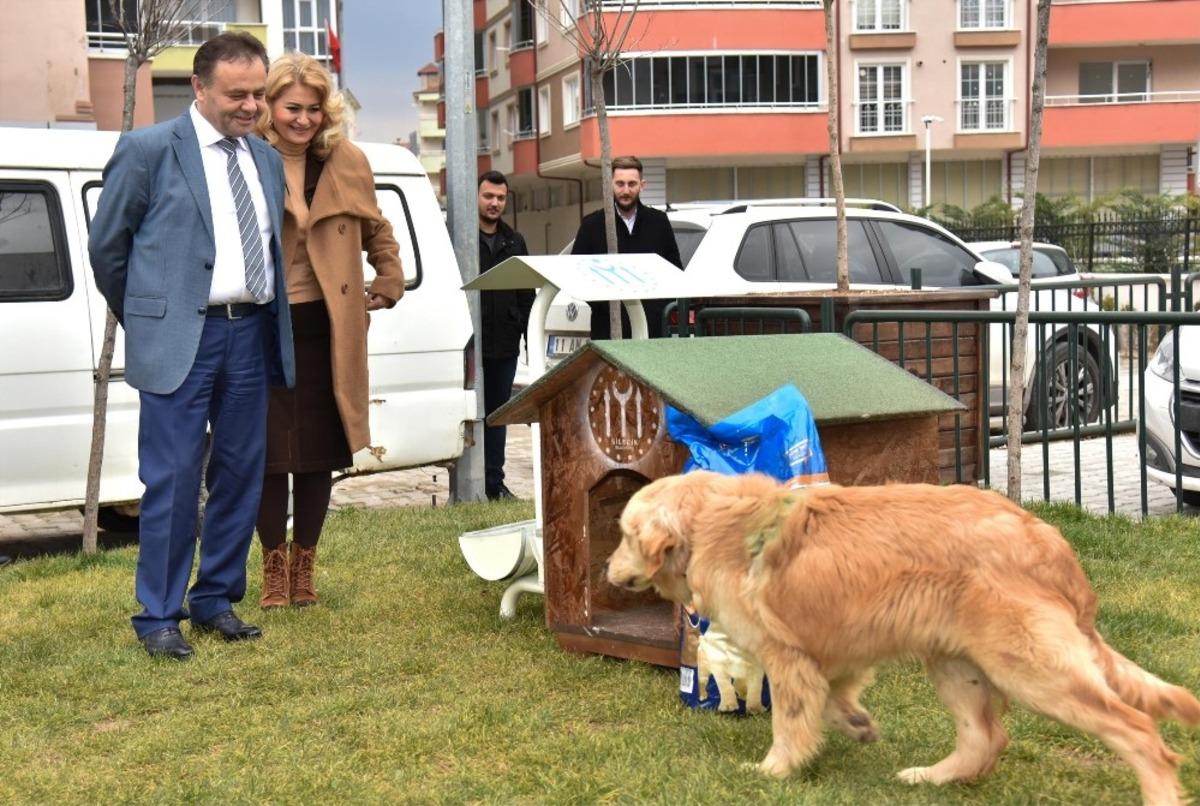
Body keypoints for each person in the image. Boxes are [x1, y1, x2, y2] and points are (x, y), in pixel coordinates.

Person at [89, 32, 295, 660]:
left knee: (239, 473)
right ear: (199, 88)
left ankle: (216, 600)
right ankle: (158, 614)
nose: (251, 106)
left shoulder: (264, 158)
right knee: (174, 479)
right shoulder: (148, 149)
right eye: (238, 94)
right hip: (184, 337)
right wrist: (149, 318)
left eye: (259, 94)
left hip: (251, 333)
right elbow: (108, 249)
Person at [253, 52, 404, 608]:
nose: (303, 119)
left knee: (317, 453)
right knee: (268, 453)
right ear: (269, 106)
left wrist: (389, 279)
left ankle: (304, 570)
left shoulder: (347, 160)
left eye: (314, 109)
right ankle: (272, 570)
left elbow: (377, 229)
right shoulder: (248, 158)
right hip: (262, 324)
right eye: (292, 107)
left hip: (327, 324)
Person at [570, 155, 682, 340]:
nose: (626, 190)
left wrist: (656, 308)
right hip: (607, 330)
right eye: (620, 184)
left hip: (651, 331)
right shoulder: (592, 225)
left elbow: (674, 270)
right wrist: (603, 306)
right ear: (609, 185)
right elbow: (576, 273)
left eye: (632, 184)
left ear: (642, 185)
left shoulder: (658, 222)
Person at [477, 171, 532, 501]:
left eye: (500, 198)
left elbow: (527, 292)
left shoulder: (515, 241)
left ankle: (493, 483)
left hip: (504, 346)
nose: (494, 203)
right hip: (471, 345)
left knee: (497, 417)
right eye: (488, 196)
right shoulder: (460, 238)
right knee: (472, 415)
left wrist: (524, 331)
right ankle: (469, 481)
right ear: (477, 197)